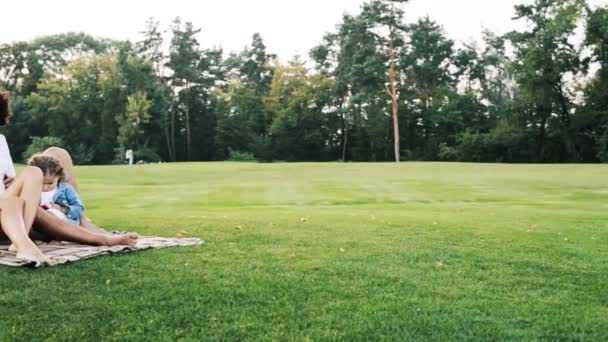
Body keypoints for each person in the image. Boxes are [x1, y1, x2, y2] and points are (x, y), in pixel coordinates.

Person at [0, 90, 137, 263]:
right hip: (7, 209)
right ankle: (99, 239)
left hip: (9, 205)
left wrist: (13, 183)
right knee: (15, 204)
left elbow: (8, 179)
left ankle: (82, 221)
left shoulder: (1, 140)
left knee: (48, 162)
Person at [28, 154, 84, 225]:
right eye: (41, 183)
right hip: (37, 223)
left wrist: (63, 209)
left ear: (59, 176)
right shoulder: (30, 190)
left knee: (52, 214)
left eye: (50, 183)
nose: (45, 187)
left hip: (62, 222)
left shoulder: (66, 189)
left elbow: (79, 207)